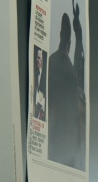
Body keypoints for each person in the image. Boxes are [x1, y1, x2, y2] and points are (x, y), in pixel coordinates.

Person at [47, 13, 83, 170]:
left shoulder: (50, 61)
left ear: (60, 35)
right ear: (70, 43)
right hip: (66, 144)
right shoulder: (71, 70)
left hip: (51, 138)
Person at [32, 47, 47, 120]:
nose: (37, 60)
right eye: (37, 58)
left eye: (39, 58)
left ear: (42, 61)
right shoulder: (34, 74)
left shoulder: (44, 77)